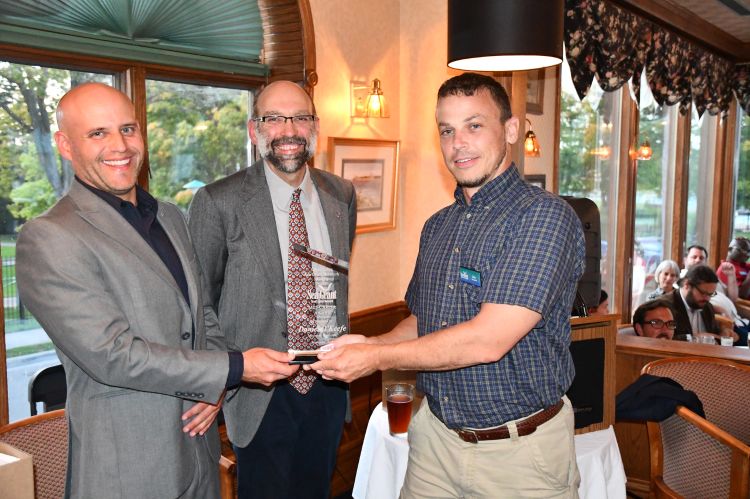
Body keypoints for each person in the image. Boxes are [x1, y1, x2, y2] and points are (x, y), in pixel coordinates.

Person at [15, 83, 298, 498]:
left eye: (128, 129)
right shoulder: (50, 237)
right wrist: (233, 369)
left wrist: (215, 386)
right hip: (129, 469)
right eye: (98, 133)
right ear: (65, 144)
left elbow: (203, 318)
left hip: (199, 456)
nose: (120, 145)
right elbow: (112, 355)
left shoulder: (167, 216)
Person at [310, 72, 585, 497]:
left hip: (520, 454)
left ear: (510, 130)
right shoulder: (438, 227)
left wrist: (375, 360)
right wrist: (373, 342)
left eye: (474, 126)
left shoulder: (545, 218)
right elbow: (423, 321)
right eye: (447, 130)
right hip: (435, 441)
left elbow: (487, 341)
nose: (459, 143)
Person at [188, 80, 356, 499]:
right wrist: (216, 381)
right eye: (274, 119)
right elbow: (200, 305)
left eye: (300, 117)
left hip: (328, 384)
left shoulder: (342, 195)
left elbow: (334, 281)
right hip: (258, 392)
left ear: (315, 125)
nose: (288, 130)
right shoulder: (218, 202)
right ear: (254, 129)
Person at [662, 264, 737, 343]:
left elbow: (713, 333)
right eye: (703, 293)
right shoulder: (666, 306)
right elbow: (662, 339)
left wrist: (723, 332)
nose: (707, 298)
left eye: (710, 294)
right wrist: (693, 337)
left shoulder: (706, 306)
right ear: (687, 285)